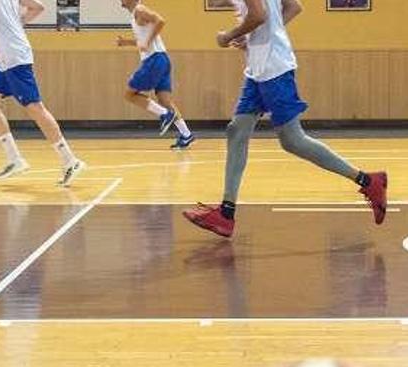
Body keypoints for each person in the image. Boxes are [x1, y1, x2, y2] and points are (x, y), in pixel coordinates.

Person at [181, 0, 387, 238]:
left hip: (274, 70)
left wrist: (228, 36)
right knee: (237, 130)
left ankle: (368, 181)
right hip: (258, 70)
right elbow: (293, 7)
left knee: (292, 140)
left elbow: (258, 15)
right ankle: (226, 213)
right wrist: (254, 36)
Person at [0, 0, 85, 186]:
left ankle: (70, 161)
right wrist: (14, 25)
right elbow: (38, 7)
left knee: (35, 108)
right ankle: (14, 159)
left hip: (13, 56)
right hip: (8, 55)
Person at [115, 0, 195, 149]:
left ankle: (164, 114)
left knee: (129, 94)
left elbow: (160, 20)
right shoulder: (136, 14)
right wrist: (127, 42)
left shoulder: (139, 10)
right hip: (163, 59)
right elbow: (143, 41)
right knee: (165, 100)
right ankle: (186, 134)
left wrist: (147, 41)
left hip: (154, 60)